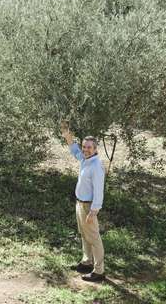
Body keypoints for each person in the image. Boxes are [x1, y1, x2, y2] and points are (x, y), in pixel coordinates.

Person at [60, 121, 106, 282]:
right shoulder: (86, 160)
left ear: (95, 149)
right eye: (84, 146)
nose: (85, 150)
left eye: (89, 147)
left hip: (88, 206)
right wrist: (68, 138)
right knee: (84, 235)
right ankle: (87, 262)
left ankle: (99, 271)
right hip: (80, 204)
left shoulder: (96, 166)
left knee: (94, 237)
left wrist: (94, 211)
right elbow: (75, 152)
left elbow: (99, 191)